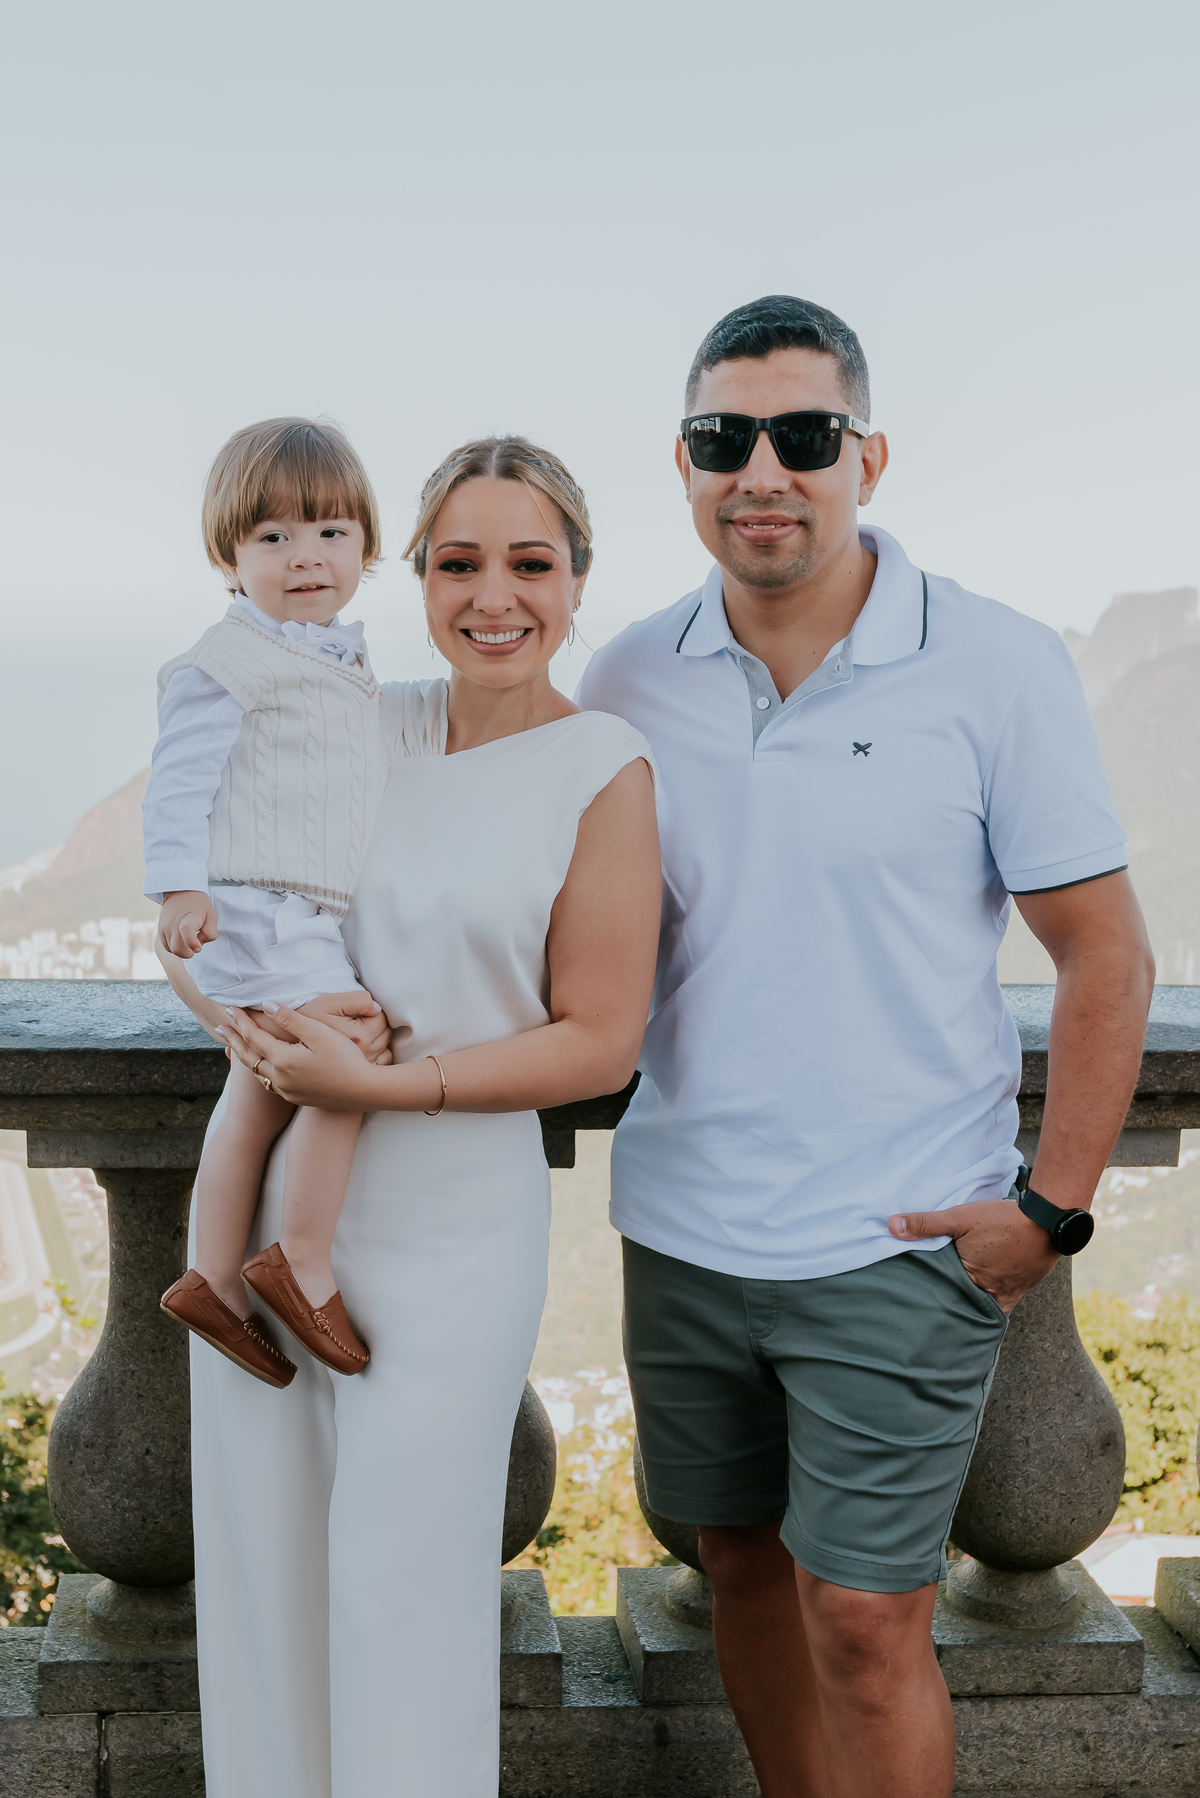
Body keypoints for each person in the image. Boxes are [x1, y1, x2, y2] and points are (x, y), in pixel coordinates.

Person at [578, 295, 1155, 1798]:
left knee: (867, 1622)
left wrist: (1050, 1209)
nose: (762, 469)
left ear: (868, 457)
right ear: (686, 463)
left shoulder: (994, 662)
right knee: (745, 1579)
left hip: (900, 1239)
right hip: (686, 1231)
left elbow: (1105, 953)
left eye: (804, 435)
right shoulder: (630, 676)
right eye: (724, 438)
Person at [197, 436, 661, 1797]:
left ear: (579, 576)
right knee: (268, 1579)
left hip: (453, 1220)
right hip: (273, 1204)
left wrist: (387, 1085)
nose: (493, 594)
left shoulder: (603, 764)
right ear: (414, 575)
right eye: (458, 561)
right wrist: (235, 1015)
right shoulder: (350, 719)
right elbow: (201, 888)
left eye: (531, 561)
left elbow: (600, 1035)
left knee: (404, 1590)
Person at [150, 417, 389, 1383]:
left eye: (332, 532)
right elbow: (179, 782)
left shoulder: (330, 657)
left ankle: (211, 1271)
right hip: (259, 910)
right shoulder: (231, 656)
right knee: (354, 1054)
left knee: (254, 1090)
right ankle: (301, 1257)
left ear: (368, 547)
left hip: (288, 910)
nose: (307, 558)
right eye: (274, 538)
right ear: (230, 554)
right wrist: (177, 890)